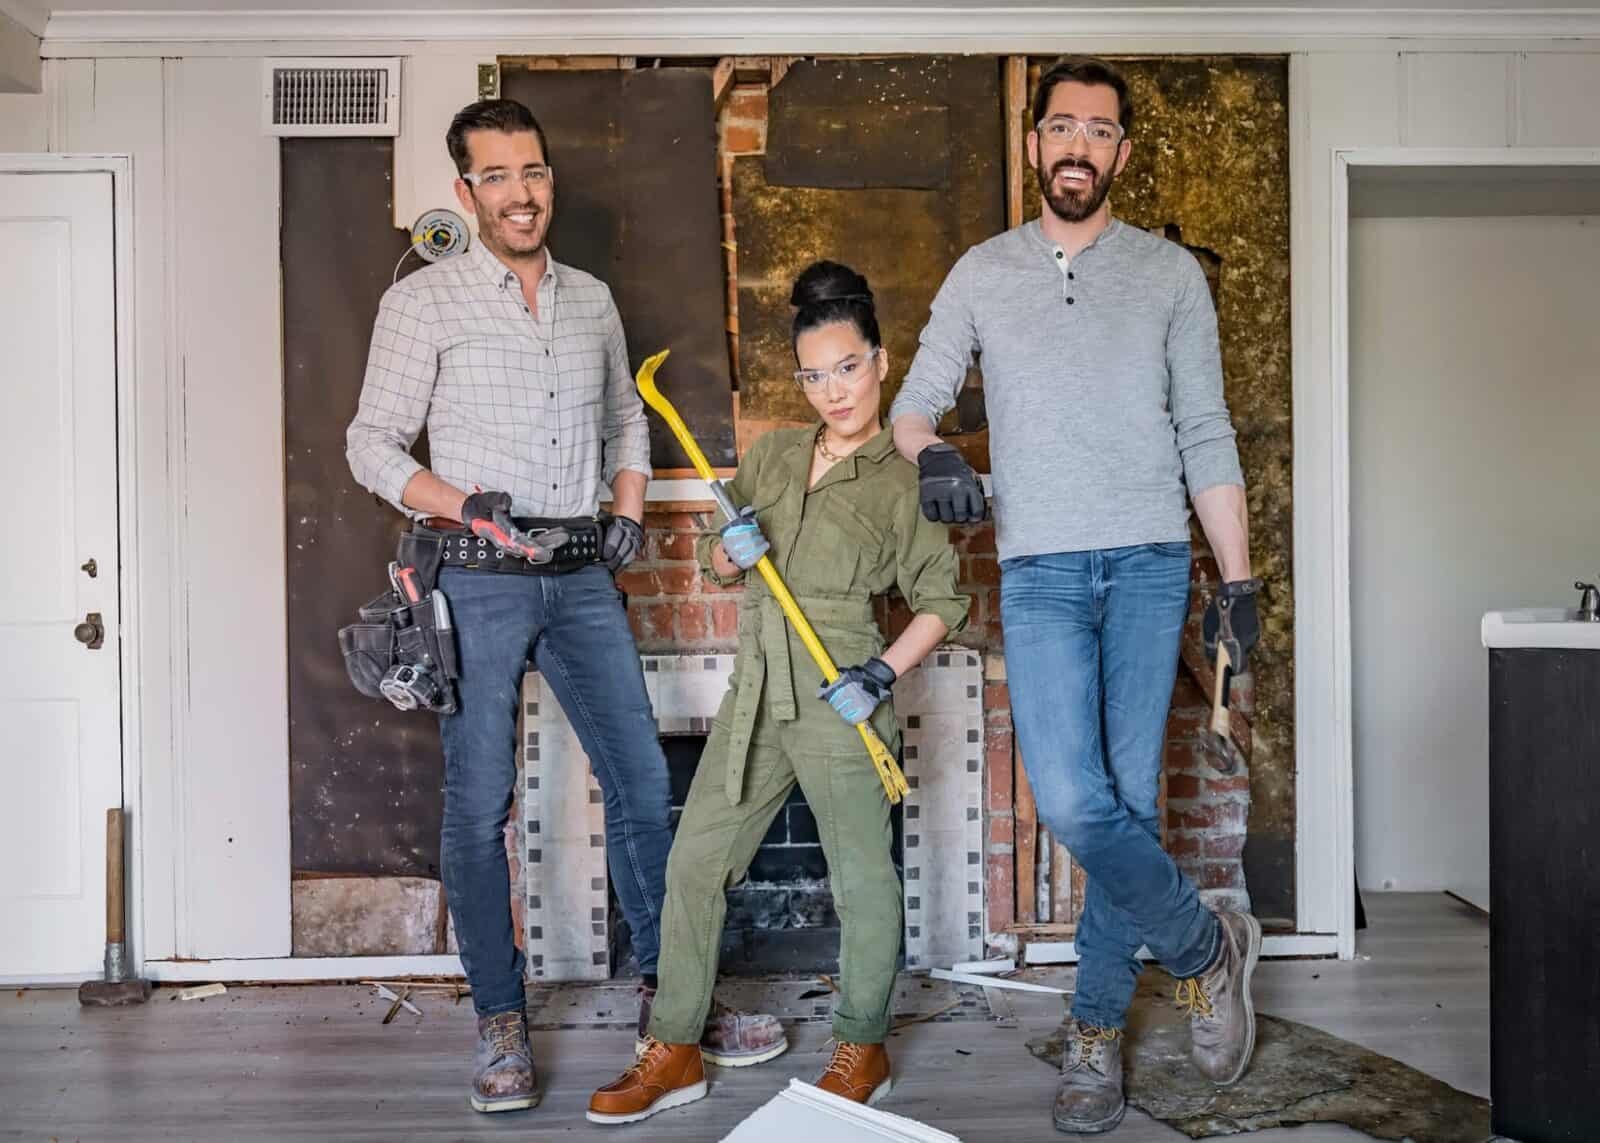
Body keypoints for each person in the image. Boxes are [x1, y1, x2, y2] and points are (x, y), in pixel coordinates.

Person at [345, 98, 766, 1115]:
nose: (519, 193)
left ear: (548, 179)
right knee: (477, 807)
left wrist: (625, 509)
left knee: (640, 784)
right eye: (495, 177)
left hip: (581, 577)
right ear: (466, 193)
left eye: (531, 172)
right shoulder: (424, 304)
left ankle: (675, 1005)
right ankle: (499, 1021)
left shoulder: (591, 299)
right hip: (474, 580)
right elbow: (371, 445)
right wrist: (466, 506)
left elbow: (626, 411)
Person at [889, 58, 1266, 1135]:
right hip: (1040, 566)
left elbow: (1204, 432)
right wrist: (930, 461)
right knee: (1070, 801)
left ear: (1121, 154)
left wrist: (1235, 583)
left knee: (1129, 809)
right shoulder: (980, 272)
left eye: (1099, 132)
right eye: (1061, 126)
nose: (1077, 146)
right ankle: (1205, 947)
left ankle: (1094, 1038)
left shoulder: (1166, 276)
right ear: (1033, 145)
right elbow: (915, 408)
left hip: (1151, 560)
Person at [585, 261, 971, 1126]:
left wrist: (881, 674)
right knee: (695, 860)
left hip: (841, 685)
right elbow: (715, 566)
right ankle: (677, 1041)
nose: (831, 390)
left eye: (846, 367)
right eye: (812, 374)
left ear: (880, 360)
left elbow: (946, 599)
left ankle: (862, 1040)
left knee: (862, 880)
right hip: (759, 685)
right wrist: (732, 548)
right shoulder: (773, 454)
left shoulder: (905, 477)